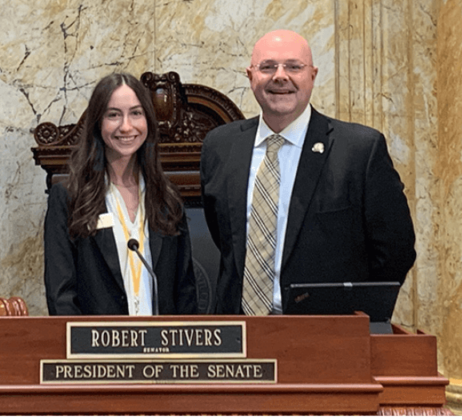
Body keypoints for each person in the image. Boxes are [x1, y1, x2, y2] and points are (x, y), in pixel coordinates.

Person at [200, 30, 416, 315]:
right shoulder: (220, 146)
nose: (280, 76)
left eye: (293, 66)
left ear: (312, 75)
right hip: (238, 334)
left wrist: (357, 314)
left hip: (327, 336)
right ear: (251, 76)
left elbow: (395, 250)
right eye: (267, 67)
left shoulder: (359, 150)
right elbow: (225, 236)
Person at [45, 72, 197, 315]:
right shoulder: (69, 198)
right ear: (98, 122)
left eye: (136, 113)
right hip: (97, 347)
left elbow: (185, 292)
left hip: (162, 347)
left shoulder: (167, 198)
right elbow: (61, 295)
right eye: (113, 115)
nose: (126, 126)